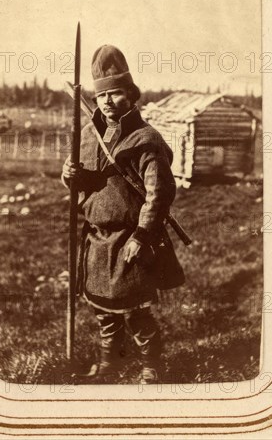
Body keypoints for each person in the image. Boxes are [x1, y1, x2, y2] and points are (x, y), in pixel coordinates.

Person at [62, 44, 184, 384]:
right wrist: (70, 175)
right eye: (102, 96)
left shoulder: (146, 139)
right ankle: (108, 365)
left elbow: (159, 193)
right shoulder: (87, 135)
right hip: (97, 239)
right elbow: (82, 180)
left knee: (134, 310)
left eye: (116, 94)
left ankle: (152, 366)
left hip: (130, 238)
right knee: (103, 308)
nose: (107, 102)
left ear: (132, 96)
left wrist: (142, 235)